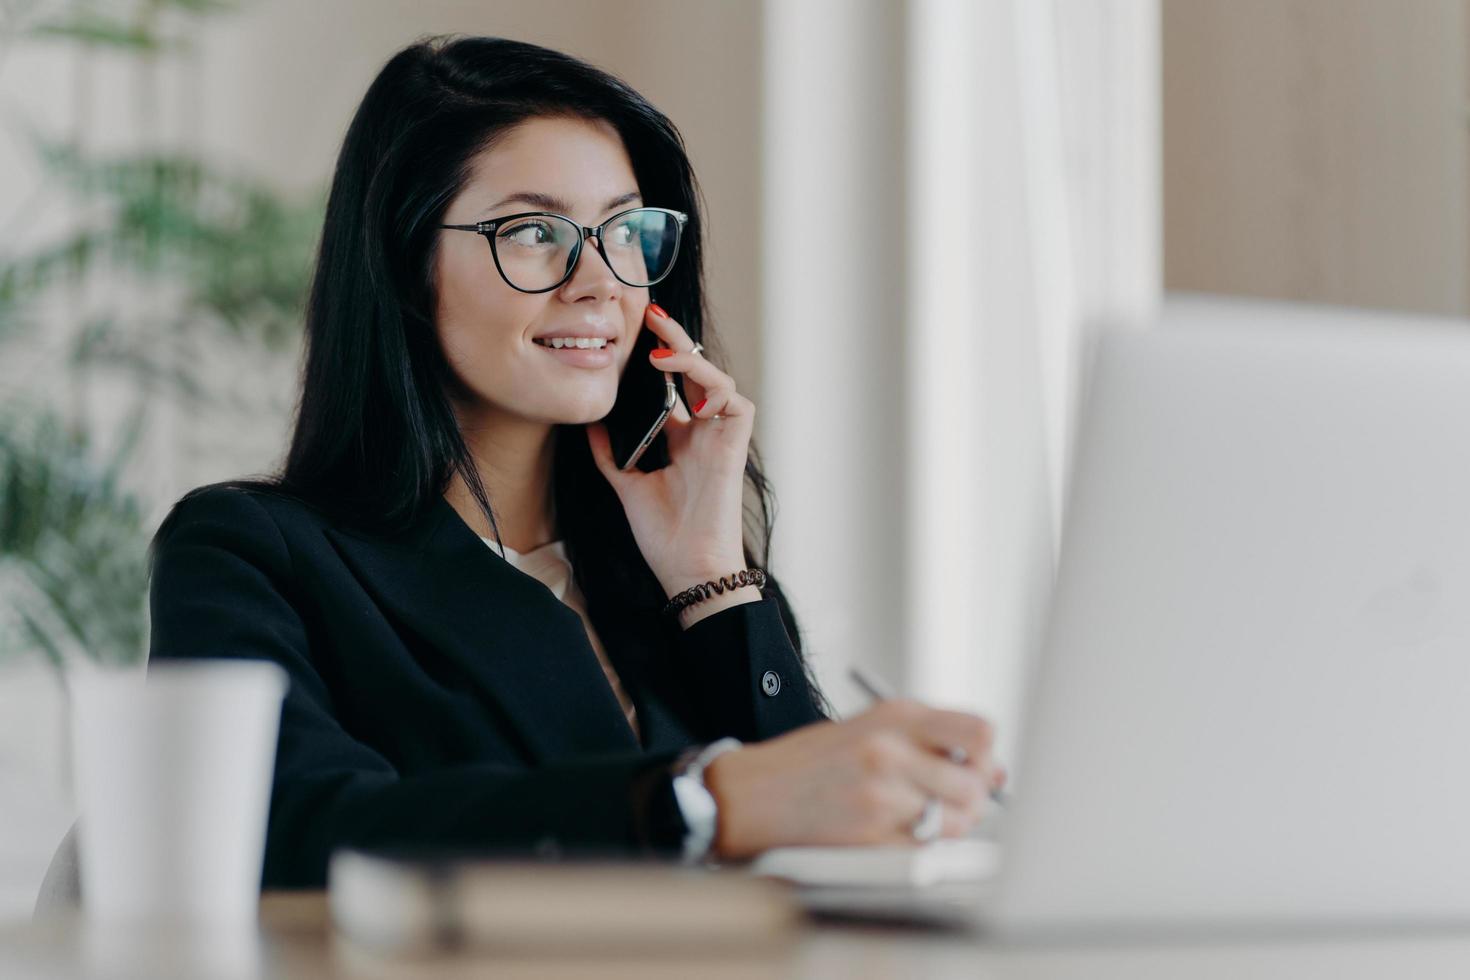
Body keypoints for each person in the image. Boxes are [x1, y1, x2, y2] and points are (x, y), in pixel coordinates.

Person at [147, 34, 1004, 889]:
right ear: (407, 264)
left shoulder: (663, 573)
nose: (600, 282)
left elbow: (823, 849)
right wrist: (702, 800)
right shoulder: (253, 551)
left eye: (626, 231)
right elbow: (294, 831)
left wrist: (709, 574)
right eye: (533, 231)